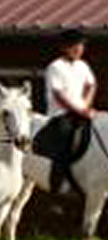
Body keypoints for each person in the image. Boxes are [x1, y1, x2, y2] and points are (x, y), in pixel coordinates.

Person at [35, 29, 97, 195]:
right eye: (75, 46)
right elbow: (59, 95)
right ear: (65, 48)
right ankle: (59, 182)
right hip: (60, 114)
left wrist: (86, 104)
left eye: (81, 46)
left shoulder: (83, 65)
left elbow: (91, 85)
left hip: (81, 111)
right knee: (65, 137)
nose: (79, 49)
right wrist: (79, 110)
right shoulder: (55, 67)